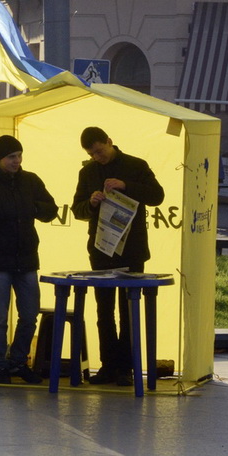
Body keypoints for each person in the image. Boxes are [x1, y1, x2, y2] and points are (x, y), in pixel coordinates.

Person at [70, 125, 165, 386]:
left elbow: (157, 196)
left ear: (110, 141)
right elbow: (77, 209)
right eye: (92, 155)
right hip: (101, 249)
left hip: (132, 249)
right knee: (104, 310)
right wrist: (91, 203)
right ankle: (108, 366)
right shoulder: (87, 172)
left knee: (128, 310)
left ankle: (127, 368)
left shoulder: (136, 165)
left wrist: (126, 185)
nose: (97, 158)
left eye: (100, 151)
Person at [0, 135, 56, 385]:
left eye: (19, 155)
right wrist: (2, 209)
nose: (17, 161)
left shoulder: (30, 181)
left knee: (29, 315)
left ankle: (18, 361)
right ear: (0, 159)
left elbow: (50, 209)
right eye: (11, 157)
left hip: (27, 258)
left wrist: (34, 209)